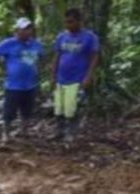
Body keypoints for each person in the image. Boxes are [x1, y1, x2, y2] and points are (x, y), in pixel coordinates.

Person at [0, 17, 45, 143]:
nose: (27, 31)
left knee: (27, 110)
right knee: (9, 111)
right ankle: (6, 133)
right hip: (13, 85)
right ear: (17, 30)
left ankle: (25, 131)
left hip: (30, 85)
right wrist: (2, 67)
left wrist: (37, 70)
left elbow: (42, 57)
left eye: (29, 28)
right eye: (24, 29)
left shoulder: (36, 44)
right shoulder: (9, 43)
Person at [53, 8, 100, 141]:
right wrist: (53, 74)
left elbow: (94, 57)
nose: (68, 25)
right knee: (59, 107)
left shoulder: (90, 37)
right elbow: (57, 55)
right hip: (61, 78)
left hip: (77, 78)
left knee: (72, 107)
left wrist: (88, 76)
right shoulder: (62, 37)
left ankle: (71, 133)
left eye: (71, 22)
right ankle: (59, 132)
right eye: (66, 22)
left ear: (79, 21)